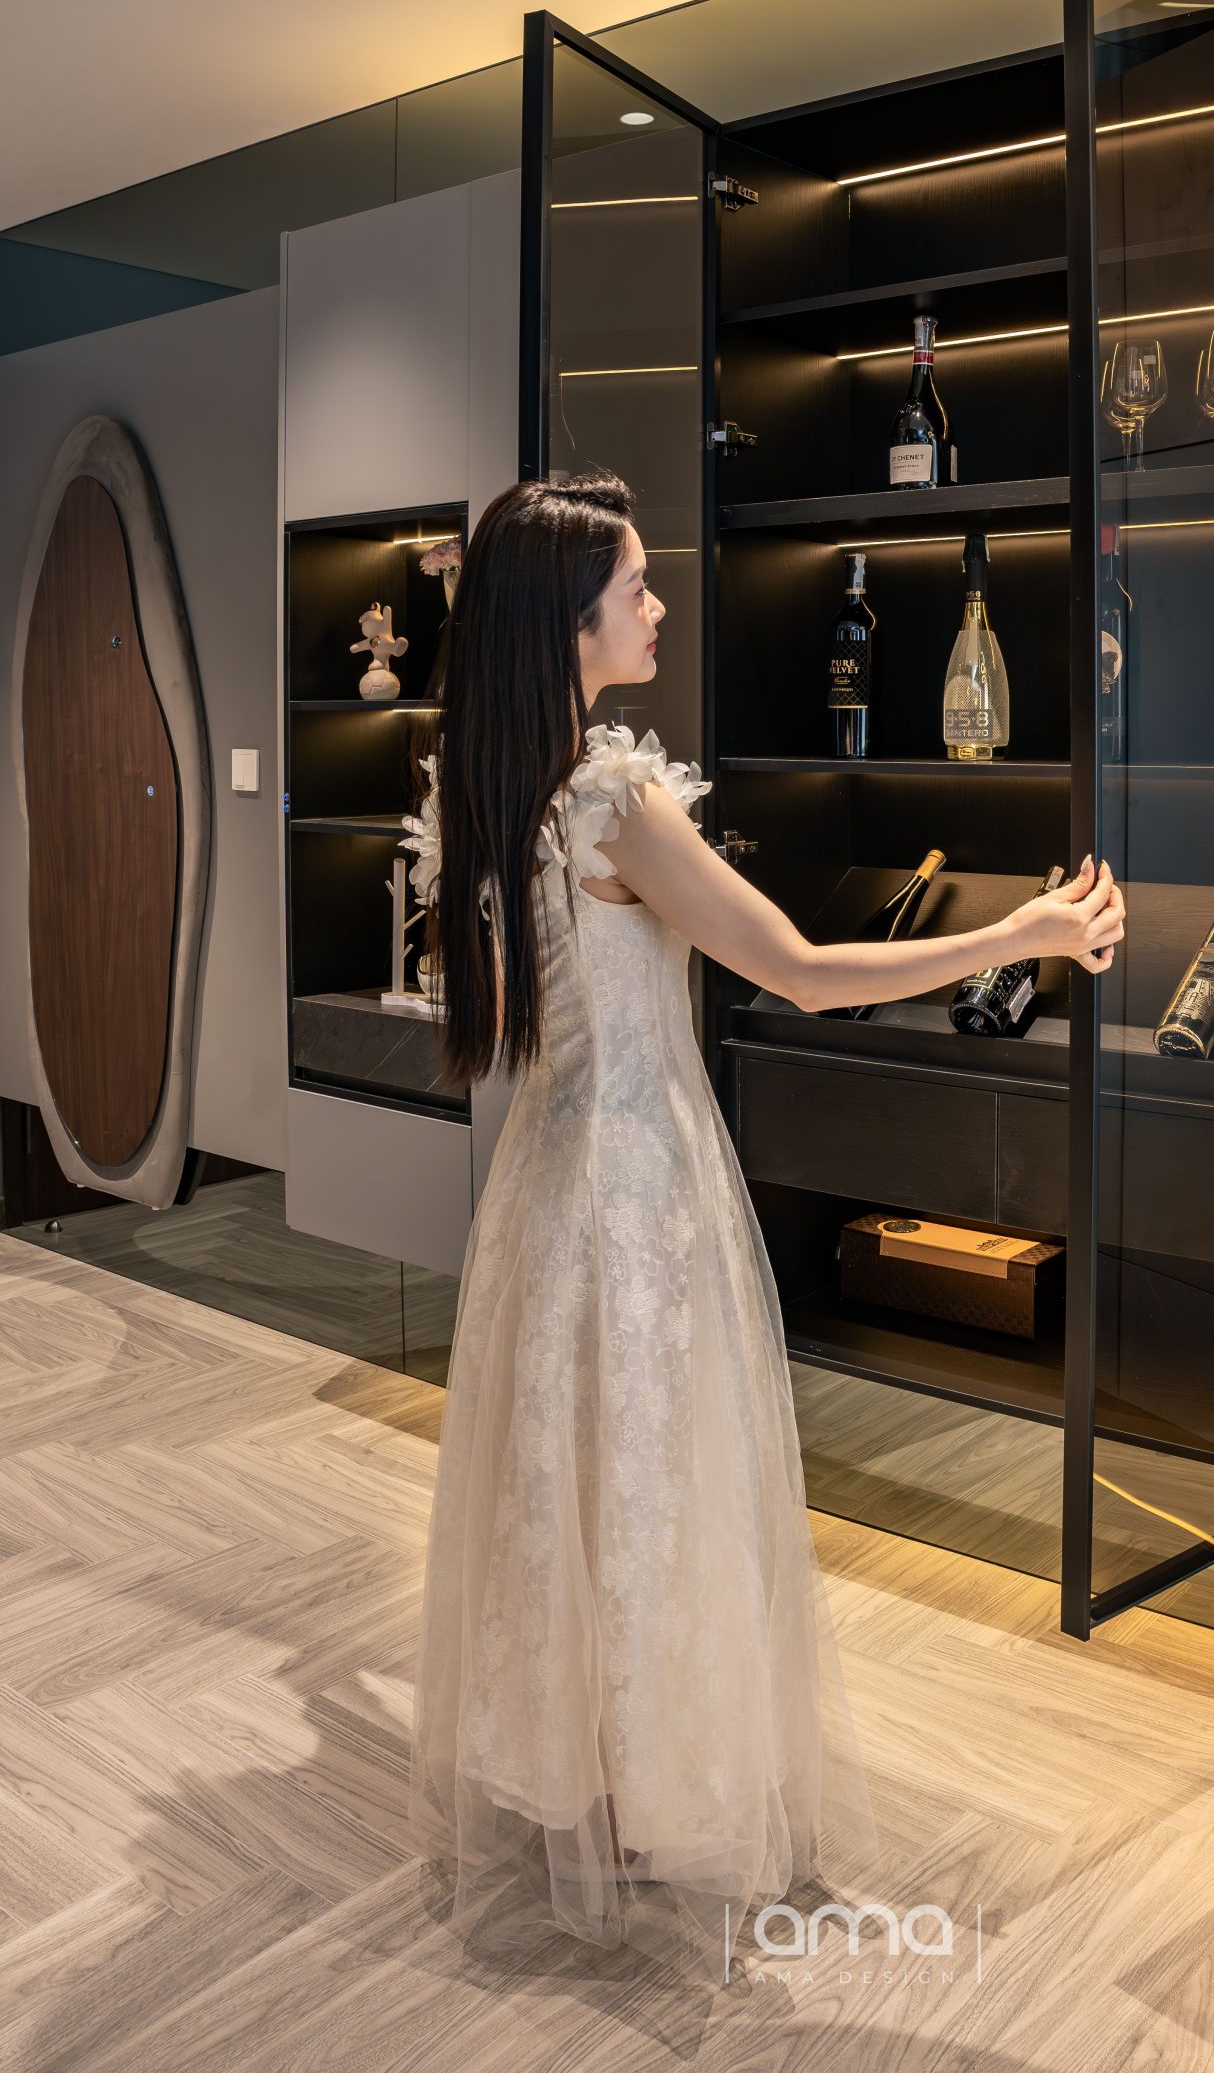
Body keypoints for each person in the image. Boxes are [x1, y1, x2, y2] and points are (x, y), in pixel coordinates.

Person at [403, 472, 1126, 1983]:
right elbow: (795, 970)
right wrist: (1019, 934)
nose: (659, 606)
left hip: (547, 1184)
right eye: (635, 587)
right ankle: (658, 1788)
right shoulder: (613, 801)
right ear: (572, 624)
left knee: (574, 1483)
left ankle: (587, 1778)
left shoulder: (492, 789)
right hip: (637, 1188)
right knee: (660, 1482)